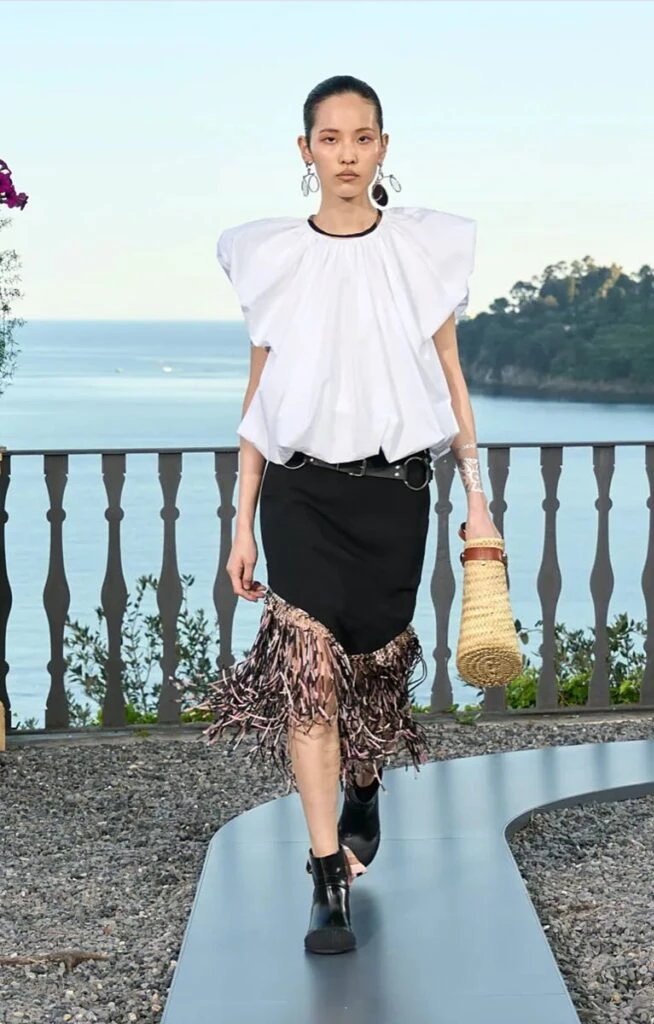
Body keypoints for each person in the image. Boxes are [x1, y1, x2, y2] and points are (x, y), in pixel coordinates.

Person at [199, 75, 500, 955]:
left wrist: (477, 496)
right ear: (306, 151)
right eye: (329, 139)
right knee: (310, 676)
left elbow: (452, 381)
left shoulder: (421, 252)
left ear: (382, 148)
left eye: (362, 138)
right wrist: (241, 520)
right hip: (300, 494)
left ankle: (365, 780)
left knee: (372, 667)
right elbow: (259, 399)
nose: (346, 155)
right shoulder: (272, 256)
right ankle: (326, 873)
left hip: (394, 494)